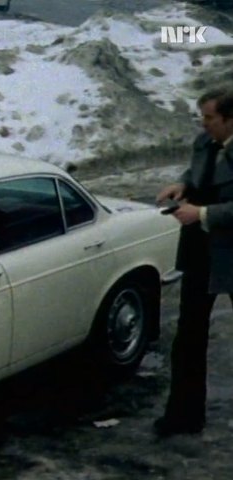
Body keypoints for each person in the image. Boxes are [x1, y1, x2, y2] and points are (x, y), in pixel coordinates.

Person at [154, 86, 233, 436]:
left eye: (210, 117)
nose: (203, 124)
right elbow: (197, 173)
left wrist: (201, 213)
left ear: (230, 119)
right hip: (201, 251)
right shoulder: (205, 143)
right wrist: (182, 186)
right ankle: (183, 416)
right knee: (188, 336)